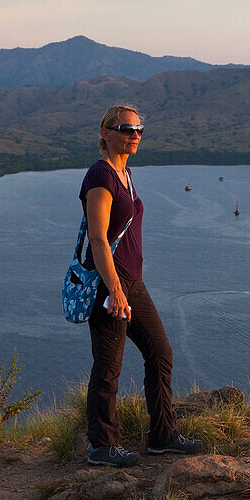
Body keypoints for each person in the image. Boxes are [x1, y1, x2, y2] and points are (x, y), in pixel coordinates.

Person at [80, 105, 203, 467]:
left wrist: (127, 287)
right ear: (105, 133)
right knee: (108, 367)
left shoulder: (126, 173)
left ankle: (163, 436)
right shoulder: (101, 176)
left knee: (160, 352)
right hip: (110, 287)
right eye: (126, 129)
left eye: (139, 130)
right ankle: (102, 446)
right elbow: (98, 239)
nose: (134, 135)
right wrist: (115, 291)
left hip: (133, 283)